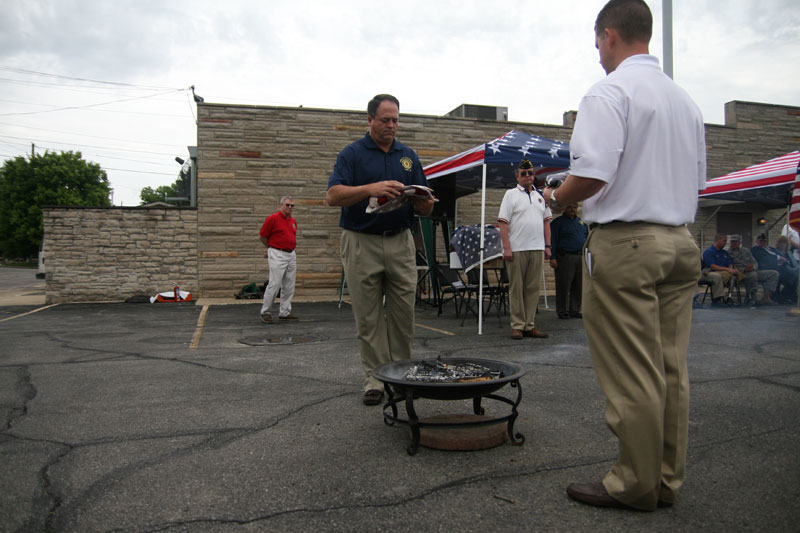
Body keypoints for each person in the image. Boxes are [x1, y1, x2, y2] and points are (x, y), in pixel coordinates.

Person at [541, 0, 706, 511]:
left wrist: (556, 196)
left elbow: (592, 174)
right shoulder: (685, 102)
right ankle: (664, 480)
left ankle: (633, 483)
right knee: (670, 369)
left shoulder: (609, 91)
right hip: (680, 240)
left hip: (628, 242)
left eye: (597, 45)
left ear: (610, 35)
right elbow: (698, 182)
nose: (597, 57)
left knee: (634, 371)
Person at [326, 94, 434, 406]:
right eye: (385, 120)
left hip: (401, 240)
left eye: (396, 120)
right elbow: (333, 195)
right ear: (370, 119)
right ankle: (374, 379)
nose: (391, 125)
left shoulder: (408, 156)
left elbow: (425, 207)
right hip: (361, 242)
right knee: (368, 316)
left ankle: (400, 376)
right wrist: (369, 190)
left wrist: (424, 201)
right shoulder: (353, 154)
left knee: (403, 313)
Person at [497, 159, 552, 340]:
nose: (527, 176)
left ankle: (530, 325)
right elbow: (502, 222)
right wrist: (506, 247)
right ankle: (517, 325)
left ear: (533, 175)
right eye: (523, 173)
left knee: (532, 288)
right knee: (516, 288)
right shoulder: (510, 194)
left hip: (536, 247)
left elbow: (546, 222)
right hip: (517, 248)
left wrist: (548, 246)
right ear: (517, 176)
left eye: (530, 173)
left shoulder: (540, 196)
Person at [259, 196, 298, 323]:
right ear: (281, 205)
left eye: (292, 206)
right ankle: (265, 311)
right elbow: (263, 236)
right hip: (278, 253)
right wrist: (271, 249)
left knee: (289, 285)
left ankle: (285, 312)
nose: (290, 208)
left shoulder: (293, 221)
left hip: (291, 254)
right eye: (287, 205)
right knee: (274, 284)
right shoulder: (272, 219)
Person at [549, 203, 588, 319]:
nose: (572, 209)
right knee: (564, 285)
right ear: (565, 208)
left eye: (575, 207)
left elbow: (586, 239)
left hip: (580, 257)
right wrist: (552, 257)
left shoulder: (581, 223)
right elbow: (553, 241)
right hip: (565, 257)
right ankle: (562, 311)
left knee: (578, 285)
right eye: (570, 207)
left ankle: (574, 310)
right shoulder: (558, 223)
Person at [727, 234, 779, 306]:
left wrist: (753, 267)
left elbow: (754, 262)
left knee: (774, 273)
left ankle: (766, 296)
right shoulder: (728, 253)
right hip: (741, 273)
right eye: (732, 242)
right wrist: (744, 269)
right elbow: (731, 266)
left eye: (736, 242)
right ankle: (752, 298)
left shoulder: (745, 251)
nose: (734, 243)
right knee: (752, 275)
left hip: (754, 270)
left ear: (739, 242)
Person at [752, 233, 798, 304]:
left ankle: (788, 295)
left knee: (794, 277)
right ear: (757, 241)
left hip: (781, 268)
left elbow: (785, 259)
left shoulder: (770, 249)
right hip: (766, 269)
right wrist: (778, 258)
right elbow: (764, 259)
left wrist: (782, 260)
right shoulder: (756, 249)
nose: (763, 242)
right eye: (761, 241)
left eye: (765, 241)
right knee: (790, 276)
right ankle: (782, 296)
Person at [701, 233, 744, 305]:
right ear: (718, 241)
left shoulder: (725, 253)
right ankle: (717, 299)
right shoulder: (709, 252)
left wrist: (731, 269)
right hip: (711, 272)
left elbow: (730, 263)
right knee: (722, 275)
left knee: (736, 275)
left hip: (726, 272)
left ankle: (729, 298)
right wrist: (728, 269)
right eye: (724, 241)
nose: (725, 243)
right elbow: (712, 266)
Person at [774, 235, 799, 303]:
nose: (782, 245)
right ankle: (785, 296)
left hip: (792, 271)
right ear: (778, 244)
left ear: (787, 244)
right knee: (794, 280)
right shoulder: (775, 252)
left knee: (796, 277)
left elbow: (794, 263)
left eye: (784, 243)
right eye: (781, 243)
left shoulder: (789, 253)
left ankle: (790, 295)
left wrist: (796, 269)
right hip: (782, 272)